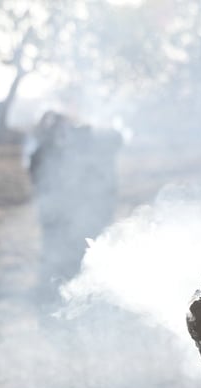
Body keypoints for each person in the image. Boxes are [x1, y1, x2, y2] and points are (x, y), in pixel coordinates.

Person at [27, 112, 122, 306]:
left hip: (88, 219)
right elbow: (38, 173)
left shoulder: (90, 146)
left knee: (87, 264)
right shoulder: (43, 152)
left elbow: (115, 141)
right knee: (55, 266)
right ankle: (53, 302)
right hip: (55, 220)